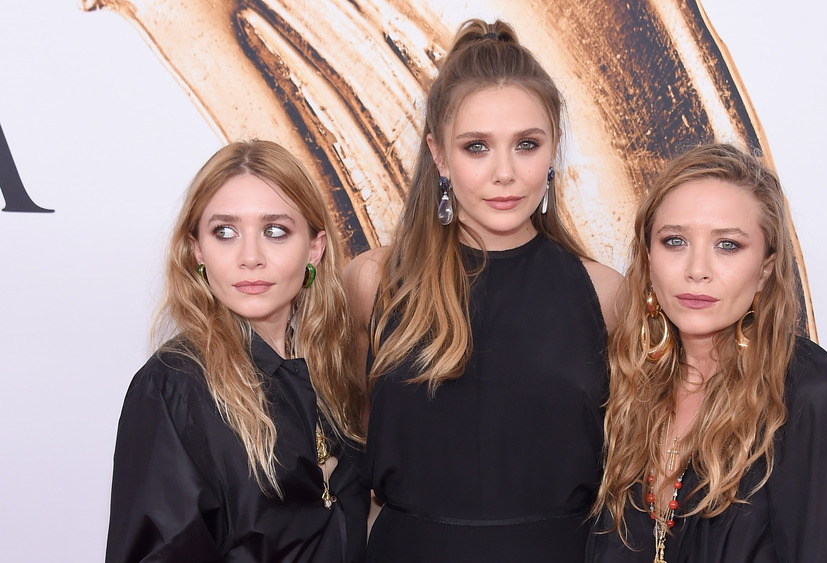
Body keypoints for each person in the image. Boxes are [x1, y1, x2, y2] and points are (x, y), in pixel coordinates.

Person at [344, 19, 622, 563]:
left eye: (526, 144)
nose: (505, 173)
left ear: (553, 151)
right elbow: (350, 451)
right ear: (440, 156)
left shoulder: (606, 294)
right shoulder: (373, 282)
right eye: (476, 147)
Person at [587, 143, 827, 562]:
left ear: (764, 269)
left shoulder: (808, 396)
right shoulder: (629, 383)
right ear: (648, 260)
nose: (697, 268)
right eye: (674, 241)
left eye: (727, 245)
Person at [106, 140, 368, 563]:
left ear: (314, 248)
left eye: (275, 231)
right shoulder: (173, 387)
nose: (250, 257)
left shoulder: (334, 367)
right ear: (197, 250)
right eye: (225, 232)